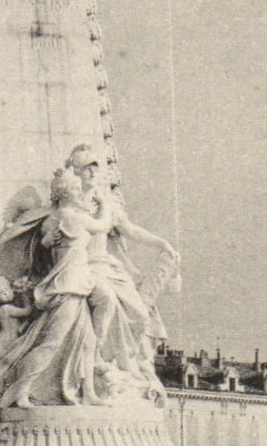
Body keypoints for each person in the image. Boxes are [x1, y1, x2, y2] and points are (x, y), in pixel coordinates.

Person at [0, 169, 110, 414]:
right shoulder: (73, 217)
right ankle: (20, 389)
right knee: (50, 344)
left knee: (88, 341)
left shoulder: (51, 220)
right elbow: (103, 224)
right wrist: (105, 202)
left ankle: (89, 392)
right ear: (63, 194)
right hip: (69, 287)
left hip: (73, 286)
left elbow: (44, 250)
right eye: (74, 188)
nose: (78, 192)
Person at [65, 144, 180, 391]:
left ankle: (124, 364)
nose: (92, 173)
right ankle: (95, 356)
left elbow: (130, 230)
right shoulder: (72, 203)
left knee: (139, 313)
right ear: (76, 172)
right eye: (86, 168)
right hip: (86, 266)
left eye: (95, 167)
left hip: (109, 266)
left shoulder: (105, 203)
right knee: (106, 300)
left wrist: (161, 243)